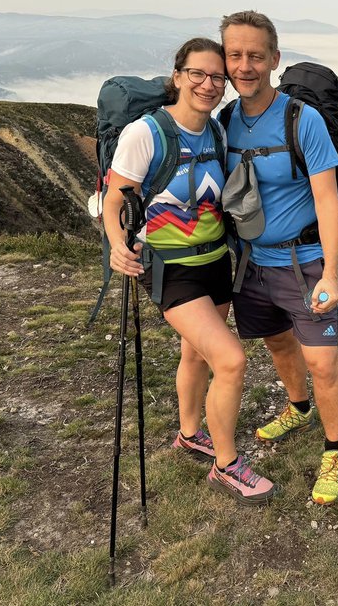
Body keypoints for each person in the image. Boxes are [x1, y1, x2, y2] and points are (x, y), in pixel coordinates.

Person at [104, 37, 277, 505]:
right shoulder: (146, 133)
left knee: (197, 355)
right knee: (231, 360)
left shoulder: (217, 133)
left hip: (215, 260)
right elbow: (114, 197)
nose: (208, 84)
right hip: (169, 270)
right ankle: (226, 464)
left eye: (217, 77)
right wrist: (118, 245)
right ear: (177, 76)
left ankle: (188, 433)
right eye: (197, 74)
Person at [221, 11, 338, 505]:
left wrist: (331, 274)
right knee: (276, 342)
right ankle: (298, 409)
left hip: (305, 260)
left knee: (323, 361)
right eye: (235, 55)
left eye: (256, 55)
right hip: (251, 262)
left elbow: (327, 202)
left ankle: (334, 451)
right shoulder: (226, 121)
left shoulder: (303, 119)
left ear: (275, 59)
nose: (245, 65)